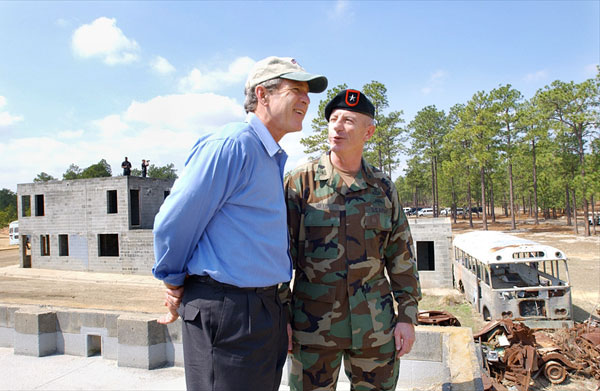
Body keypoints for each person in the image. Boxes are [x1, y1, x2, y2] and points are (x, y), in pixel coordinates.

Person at [152, 56, 327, 391]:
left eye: (308, 93)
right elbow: (173, 222)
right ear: (262, 95)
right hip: (228, 311)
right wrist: (173, 281)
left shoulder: (268, 155)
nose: (306, 99)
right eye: (296, 89)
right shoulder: (233, 145)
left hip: (263, 308)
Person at [282, 89, 421, 391]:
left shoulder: (383, 188)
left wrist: (407, 317)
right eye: (333, 119)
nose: (337, 127)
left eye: (348, 120)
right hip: (312, 329)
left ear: (368, 131)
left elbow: (402, 256)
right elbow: (279, 256)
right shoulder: (300, 182)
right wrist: (282, 318)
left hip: (375, 328)